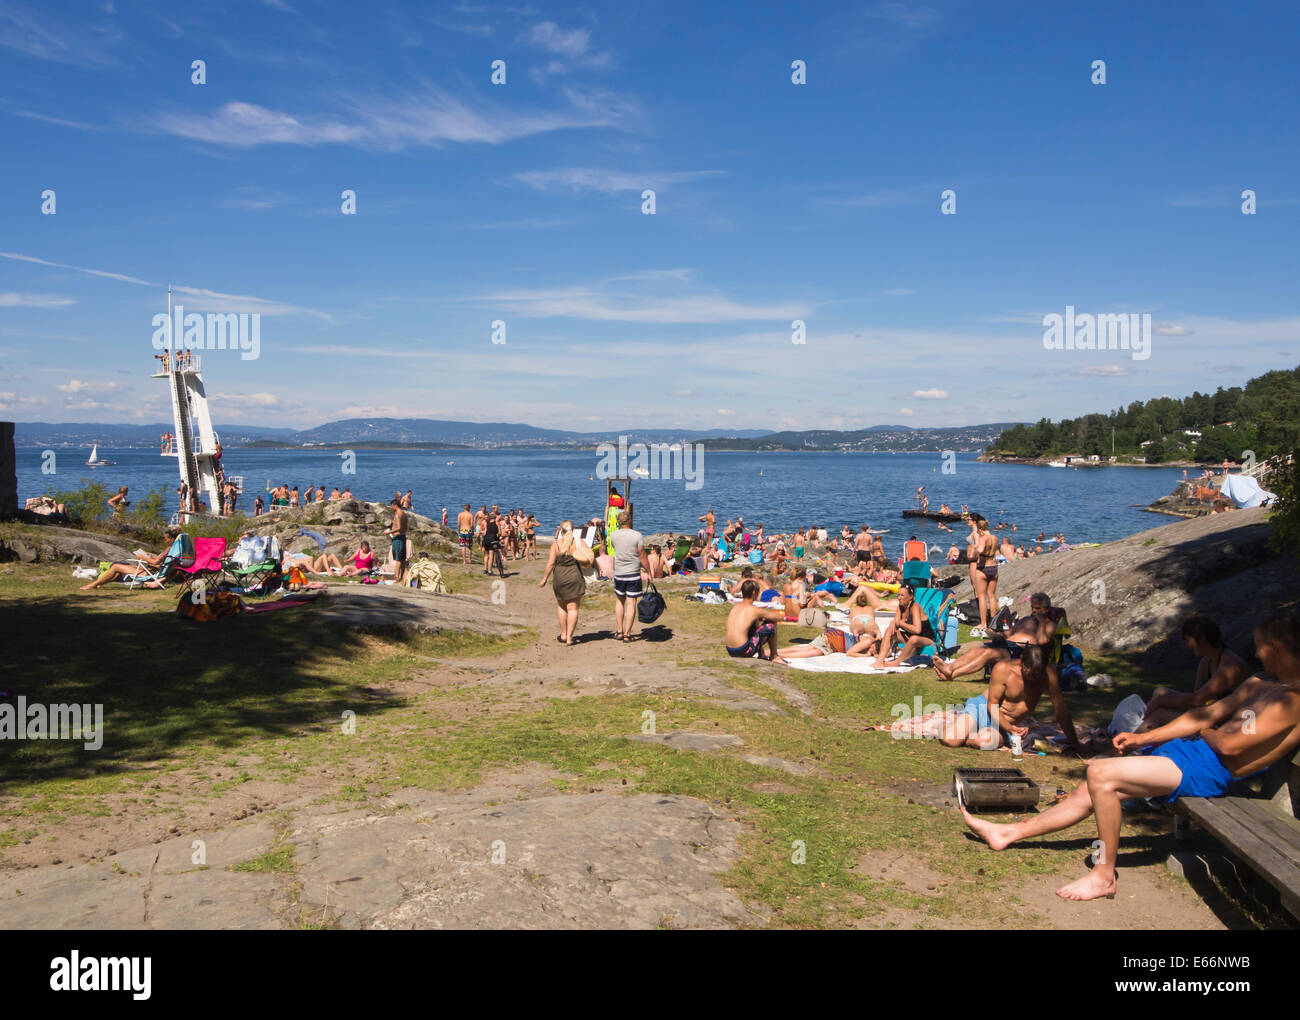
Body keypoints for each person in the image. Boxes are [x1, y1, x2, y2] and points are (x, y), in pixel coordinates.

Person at [962, 613, 1300, 902]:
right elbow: (1206, 714)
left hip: (1209, 769)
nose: (1256, 652)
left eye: (1260, 646)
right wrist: (1144, 736)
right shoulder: (1260, 682)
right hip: (1192, 751)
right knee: (1088, 789)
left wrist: (1207, 730)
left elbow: (1229, 746)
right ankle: (1008, 833)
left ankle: (1104, 874)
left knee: (1101, 776)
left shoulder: (1293, 701)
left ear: (1277, 649)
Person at [941, 644, 1082, 751]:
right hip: (983, 708)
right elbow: (992, 705)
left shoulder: (1049, 675)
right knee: (951, 740)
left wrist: (1075, 744)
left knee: (984, 742)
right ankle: (958, 726)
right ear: (1021, 662)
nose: (1034, 677)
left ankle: (968, 732)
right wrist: (1010, 728)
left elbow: (1061, 712)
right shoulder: (1004, 669)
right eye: (1030, 672)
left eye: (1038, 673)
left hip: (1005, 726)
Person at [1140, 615, 1249, 731]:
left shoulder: (1230, 666)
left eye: (1188, 640)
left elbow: (1196, 700)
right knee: (1160, 691)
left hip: (1228, 724)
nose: (1187, 645)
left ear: (1202, 638)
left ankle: (1132, 745)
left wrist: (1160, 702)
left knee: (1159, 714)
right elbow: (1194, 703)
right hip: (1212, 713)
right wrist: (1161, 700)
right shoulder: (1206, 662)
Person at [935, 592, 1061, 681]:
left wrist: (1041, 622)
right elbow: (1011, 633)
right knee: (976, 650)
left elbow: (1042, 641)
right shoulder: (1026, 619)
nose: (1033, 611)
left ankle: (952, 673)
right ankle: (950, 668)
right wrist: (998, 635)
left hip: (1021, 652)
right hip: (1007, 645)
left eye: (1037, 609)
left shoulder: (1049, 624)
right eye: (1032, 608)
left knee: (987, 654)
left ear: (1046, 609)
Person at [540, 520, 589, 645]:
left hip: (559, 578)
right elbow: (589, 556)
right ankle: (570, 638)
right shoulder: (578, 542)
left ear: (561, 531)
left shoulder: (556, 545)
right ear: (573, 530)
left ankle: (563, 634)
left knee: (562, 606)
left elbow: (551, 563)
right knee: (573, 608)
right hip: (574, 577)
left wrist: (545, 578)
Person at [79, 530, 181, 590]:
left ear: (172, 539)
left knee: (115, 567)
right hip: (152, 571)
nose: (165, 540)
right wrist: (150, 556)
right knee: (119, 569)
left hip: (150, 574)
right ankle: (99, 583)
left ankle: (92, 585)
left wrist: (143, 557)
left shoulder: (169, 549)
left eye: (166, 538)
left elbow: (156, 563)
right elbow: (159, 561)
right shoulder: (174, 549)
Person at [610, 511, 650, 641]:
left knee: (619, 601)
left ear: (619, 522)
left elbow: (616, 549)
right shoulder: (637, 535)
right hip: (633, 572)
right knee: (631, 602)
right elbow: (642, 555)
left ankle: (619, 631)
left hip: (619, 572)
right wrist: (648, 570)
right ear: (630, 520)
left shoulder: (613, 535)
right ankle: (627, 633)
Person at [725, 580, 785, 661]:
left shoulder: (735, 607)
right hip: (743, 651)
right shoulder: (753, 610)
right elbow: (777, 617)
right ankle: (774, 656)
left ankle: (761, 654)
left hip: (730, 650)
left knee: (754, 623)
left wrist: (760, 617)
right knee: (771, 624)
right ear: (754, 592)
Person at [876, 585, 936, 667]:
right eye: (898, 595)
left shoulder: (915, 607)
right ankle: (879, 660)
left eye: (902, 595)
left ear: (911, 597)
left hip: (927, 639)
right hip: (910, 637)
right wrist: (893, 623)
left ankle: (895, 662)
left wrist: (901, 623)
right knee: (889, 630)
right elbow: (895, 624)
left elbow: (917, 630)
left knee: (913, 639)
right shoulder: (900, 607)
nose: (899, 598)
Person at [968, 516, 998, 637]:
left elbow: (980, 550)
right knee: (991, 595)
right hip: (994, 566)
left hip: (983, 567)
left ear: (980, 529)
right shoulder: (995, 538)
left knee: (981, 597)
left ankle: (984, 624)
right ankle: (994, 622)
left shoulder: (983, 538)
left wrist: (974, 549)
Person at [388, 497, 409, 583]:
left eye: (391, 506)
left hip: (398, 538)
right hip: (403, 536)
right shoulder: (404, 513)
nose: (390, 507)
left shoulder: (398, 514)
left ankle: (396, 577)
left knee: (398, 559)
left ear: (395, 505)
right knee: (402, 558)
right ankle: (402, 575)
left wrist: (389, 532)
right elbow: (405, 527)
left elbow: (399, 527)